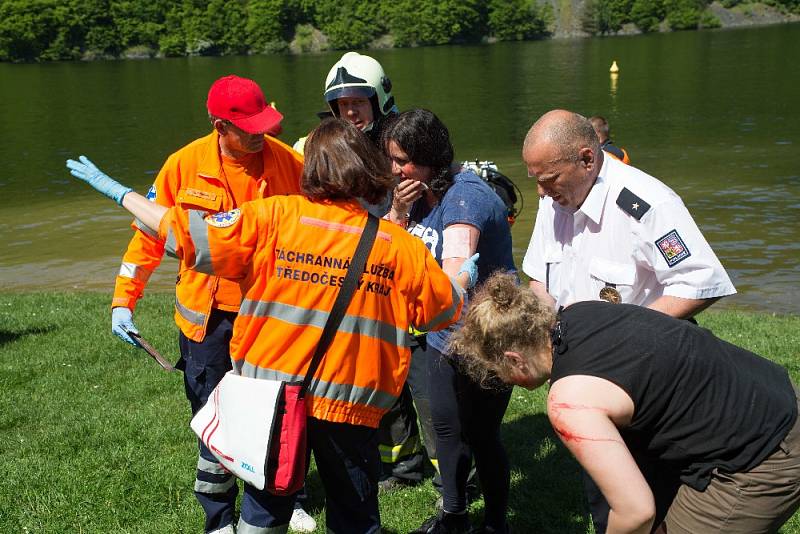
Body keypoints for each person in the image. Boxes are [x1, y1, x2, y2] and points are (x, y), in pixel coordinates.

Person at [67, 117, 477, 534]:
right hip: (352, 407)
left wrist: (122, 194)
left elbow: (186, 234)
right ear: (368, 168)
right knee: (355, 512)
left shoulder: (269, 218)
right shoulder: (399, 246)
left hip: (274, 399)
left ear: (311, 168)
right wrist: (462, 278)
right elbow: (442, 312)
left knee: (265, 507)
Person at [107, 74, 316, 534]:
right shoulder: (182, 166)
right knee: (213, 419)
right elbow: (149, 235)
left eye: (266, 124)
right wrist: (125, 300)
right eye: (250, 127)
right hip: (207, 320)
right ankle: (219, 519)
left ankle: (291, 499)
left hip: (270, 316)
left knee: (281, 410)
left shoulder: (288, 164)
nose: (261, 135)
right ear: (219, 125)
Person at [451, 272, 800, 534]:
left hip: (763, 455)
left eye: (496, 372)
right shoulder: (580, 313)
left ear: (514, 358)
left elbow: (635, 512)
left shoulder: (570, 401)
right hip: (779, 395)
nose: (501, 381)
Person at [521, 109, 737, 532]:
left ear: (587, 158)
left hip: (646, 370)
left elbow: (700, 280)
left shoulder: (644, 203)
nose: (542, 193)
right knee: (604, 496)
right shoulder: (555, 200)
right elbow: (539, 278)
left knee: (651, 494)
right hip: (583, 371)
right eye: (536, 180)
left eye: (549, 179)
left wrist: (631, 335)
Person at [383, 109, 517, 534]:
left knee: (481, 436)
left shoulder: (465, 199)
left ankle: (496, 523)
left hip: (487, 337)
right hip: (442, 334)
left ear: (431, 158)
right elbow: (389, 250)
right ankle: (454, 516)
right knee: (445, 428)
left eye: (402, 160)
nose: (394, 169)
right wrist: (399, 213)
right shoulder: (416, 194)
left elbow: (457, 269)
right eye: (391, 158)